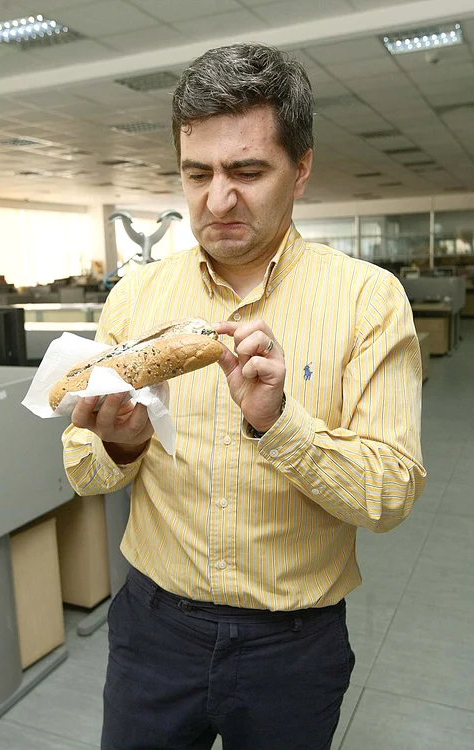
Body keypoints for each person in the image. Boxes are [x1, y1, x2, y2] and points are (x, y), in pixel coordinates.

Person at [62, 43, 426, 750]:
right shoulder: (136, 295)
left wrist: (280, 423)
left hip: (291, 645)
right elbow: (82, 469)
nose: (217, 199)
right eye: (197, 174)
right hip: (152, 631)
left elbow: (390, 495)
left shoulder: (368, 300)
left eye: (247, 171)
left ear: (302, 168)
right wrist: (118, 443)